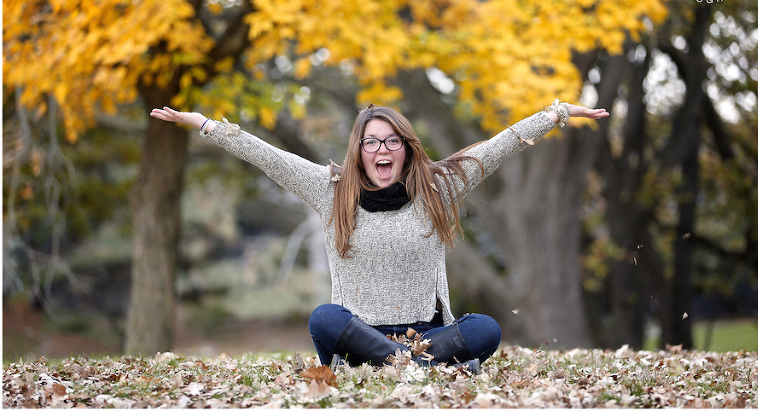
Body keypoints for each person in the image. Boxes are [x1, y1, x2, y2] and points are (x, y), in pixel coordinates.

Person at [150, 100, 609, 373]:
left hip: (427, 338)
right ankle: (412, 374)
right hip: (356, 339)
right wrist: (204, 125)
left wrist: (558, 113)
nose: (382, 149)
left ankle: (408, 369)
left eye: (392, 141)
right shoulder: (328, 190)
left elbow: (497, 146)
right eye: (372, 141)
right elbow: (267, 156)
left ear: (407, 149)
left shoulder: (437, 187)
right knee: (322, 319)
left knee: (486, 328)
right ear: (359, 150)